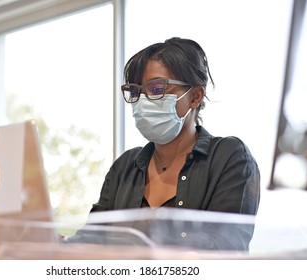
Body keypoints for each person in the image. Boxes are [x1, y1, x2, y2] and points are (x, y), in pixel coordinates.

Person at [81, 37, 261, 251]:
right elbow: (90, 240)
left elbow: (225, 248)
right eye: (136, 91)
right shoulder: (125, 166)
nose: (142, 100)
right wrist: (59, 243)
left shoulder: (229, 158)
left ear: (195, 96)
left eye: (157, 88)